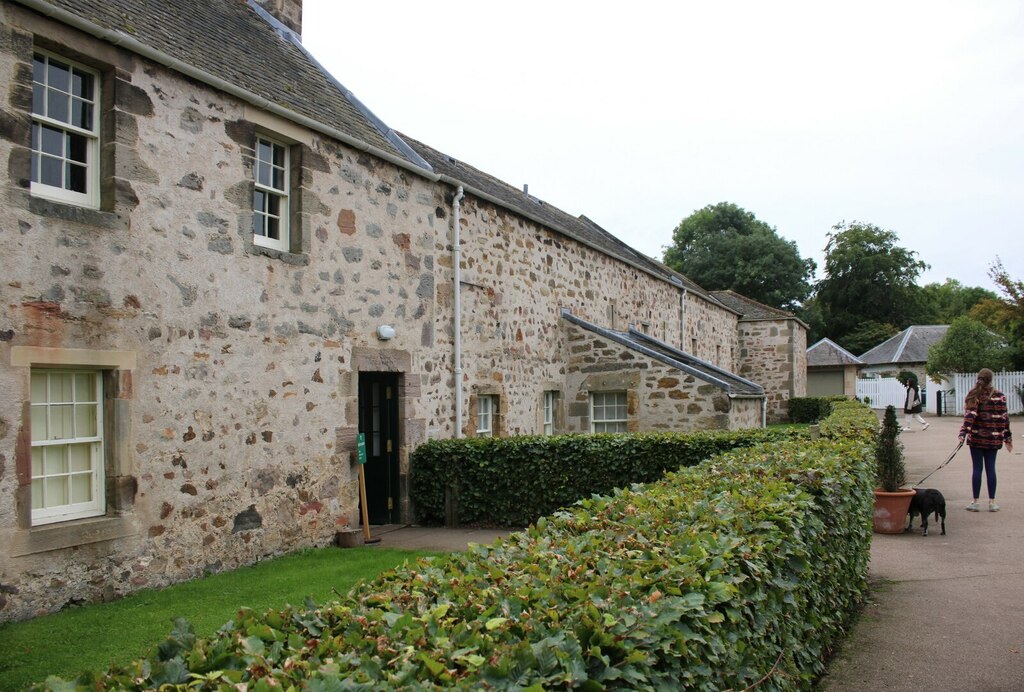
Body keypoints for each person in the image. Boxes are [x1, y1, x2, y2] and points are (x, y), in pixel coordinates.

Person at [958, 368, 1013, 512]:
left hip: (977, 438)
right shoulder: (1000, 396)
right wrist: (1007, 437)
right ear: (991, 379)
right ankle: (992, 502)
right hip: (994, 439)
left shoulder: (974, 395)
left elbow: (970, 415)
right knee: (991, 469)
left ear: (979, 378)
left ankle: (975, 502)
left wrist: (963, 433)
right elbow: (1004, 418)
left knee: (977, 469)